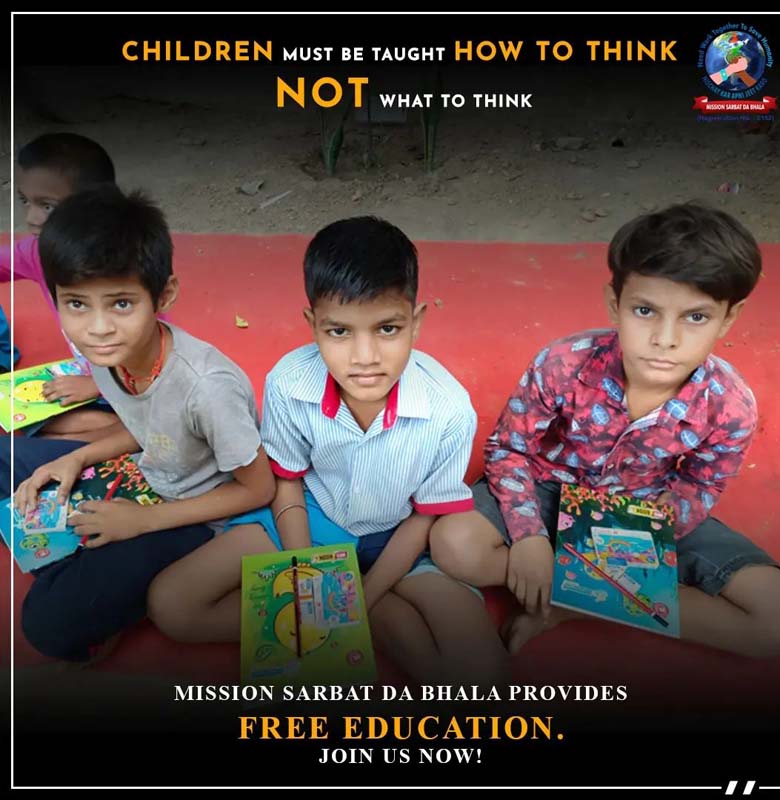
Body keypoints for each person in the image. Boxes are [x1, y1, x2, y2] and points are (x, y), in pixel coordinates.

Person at [147, 216, 509, 686]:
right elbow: (287, 479)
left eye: (387, 329)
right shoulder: (289, 382)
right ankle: (367, 616)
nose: (365, 357)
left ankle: (368, 609)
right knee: (173, 605)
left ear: (416, 322)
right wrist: (306, 573)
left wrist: (360, 599)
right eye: (339, 332)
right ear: (312, 324)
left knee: (484, 673)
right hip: (313, 519)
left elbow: (425, 516)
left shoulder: (449, 409)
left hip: (403, 541)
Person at [430, 202, 780, 658]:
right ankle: (601, 595)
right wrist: (528, 536)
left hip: (645, 508)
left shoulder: (731, 404)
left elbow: (701, 482)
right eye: (645, 310)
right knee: (454, 545)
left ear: (730, 317)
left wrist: (644, 540)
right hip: (548, 489)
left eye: (696, 317)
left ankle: (574, 604)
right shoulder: (562, 362)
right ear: (614, 303)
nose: (665, 338)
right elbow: (509, 448)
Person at [1, 186, 275, 663]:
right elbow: (149, 425)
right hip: (144, 473)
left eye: (121, 304)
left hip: (197, 517)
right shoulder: (108, 353)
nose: (97, 328)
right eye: (77, 304)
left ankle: (96, 578)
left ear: (163, 294)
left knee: (45, 625)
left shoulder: (208, 388)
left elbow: (258, 489)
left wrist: (142, 521)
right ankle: (88, 565)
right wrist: (77, 458)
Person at [1, 132, 120, 440]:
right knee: (18, 415)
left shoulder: (120, 264)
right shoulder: (37, 252)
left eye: (48, 206)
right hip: (89, 373)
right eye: (24, 201)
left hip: (134, 382)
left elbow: (151, 344)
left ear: (94, 206)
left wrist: (98, 384)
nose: (31, 217)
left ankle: (122, 434)